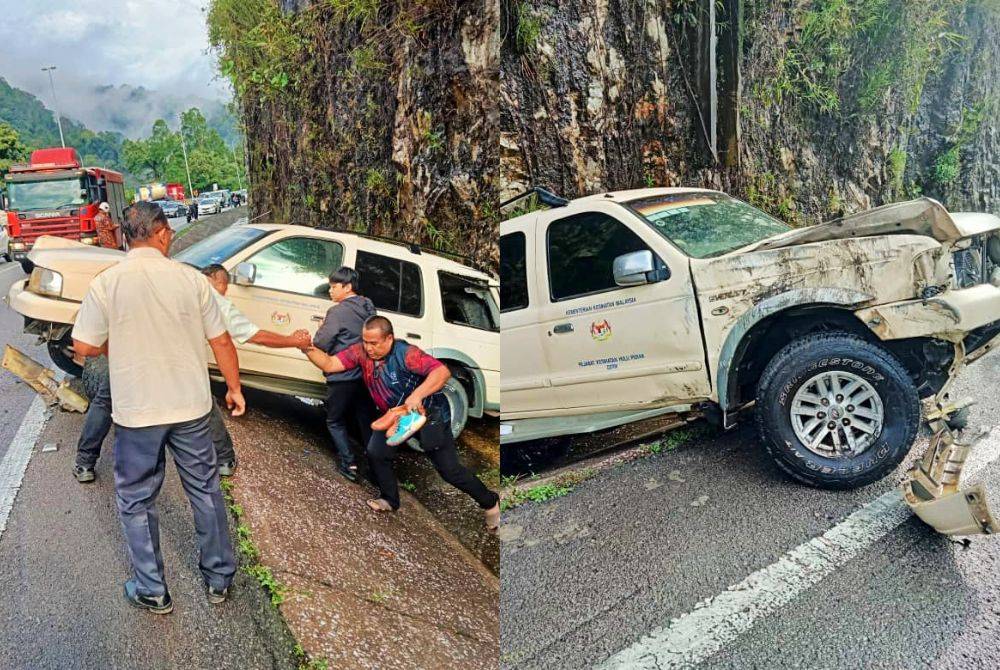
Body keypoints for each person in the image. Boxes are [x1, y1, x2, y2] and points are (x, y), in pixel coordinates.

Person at [72, 201, 243, 613]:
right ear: (164, 233)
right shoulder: (192, 281)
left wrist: (122, 343)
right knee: (205, 491)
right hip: (191, 409)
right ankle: (219, 579)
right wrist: (234, 389)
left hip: (137, 413)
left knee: (136, 499)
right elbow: (221, 340)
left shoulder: (107, 283)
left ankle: (152, 589)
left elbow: (83, 347)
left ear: (127, 236)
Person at [301, 315, 501, 531]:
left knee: (449, 471)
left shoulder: (407, 354)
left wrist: (417, 395)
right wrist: (306, 348)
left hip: (427, 415)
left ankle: (490, 502)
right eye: (365, 342)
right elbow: (331, 364)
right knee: (376, 452)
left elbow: (441, 372)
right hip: (395, 415)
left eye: (374, 343)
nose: (368, 348)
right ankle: (389, 499)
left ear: (389, 339)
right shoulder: (360, 351)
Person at [200, 263, 312, 474]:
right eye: (225, 288)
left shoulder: (182, 280)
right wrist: (293, 341)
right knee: (202, 401)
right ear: (220, 281)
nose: (225, 293)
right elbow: (251, 336)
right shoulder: (213, 297)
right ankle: (224, 459)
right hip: (181, 365)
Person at [311, 266, 377, 482]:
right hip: (366, 375)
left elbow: (321, 342)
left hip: (343, 374)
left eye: (333, 287)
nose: (330, 291)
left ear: (347, 287)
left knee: (335, 420)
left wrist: (321, 327)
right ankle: (377, 468)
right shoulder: (369, 307)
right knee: (365, 420)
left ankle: (349, 464)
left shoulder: (338, 311)